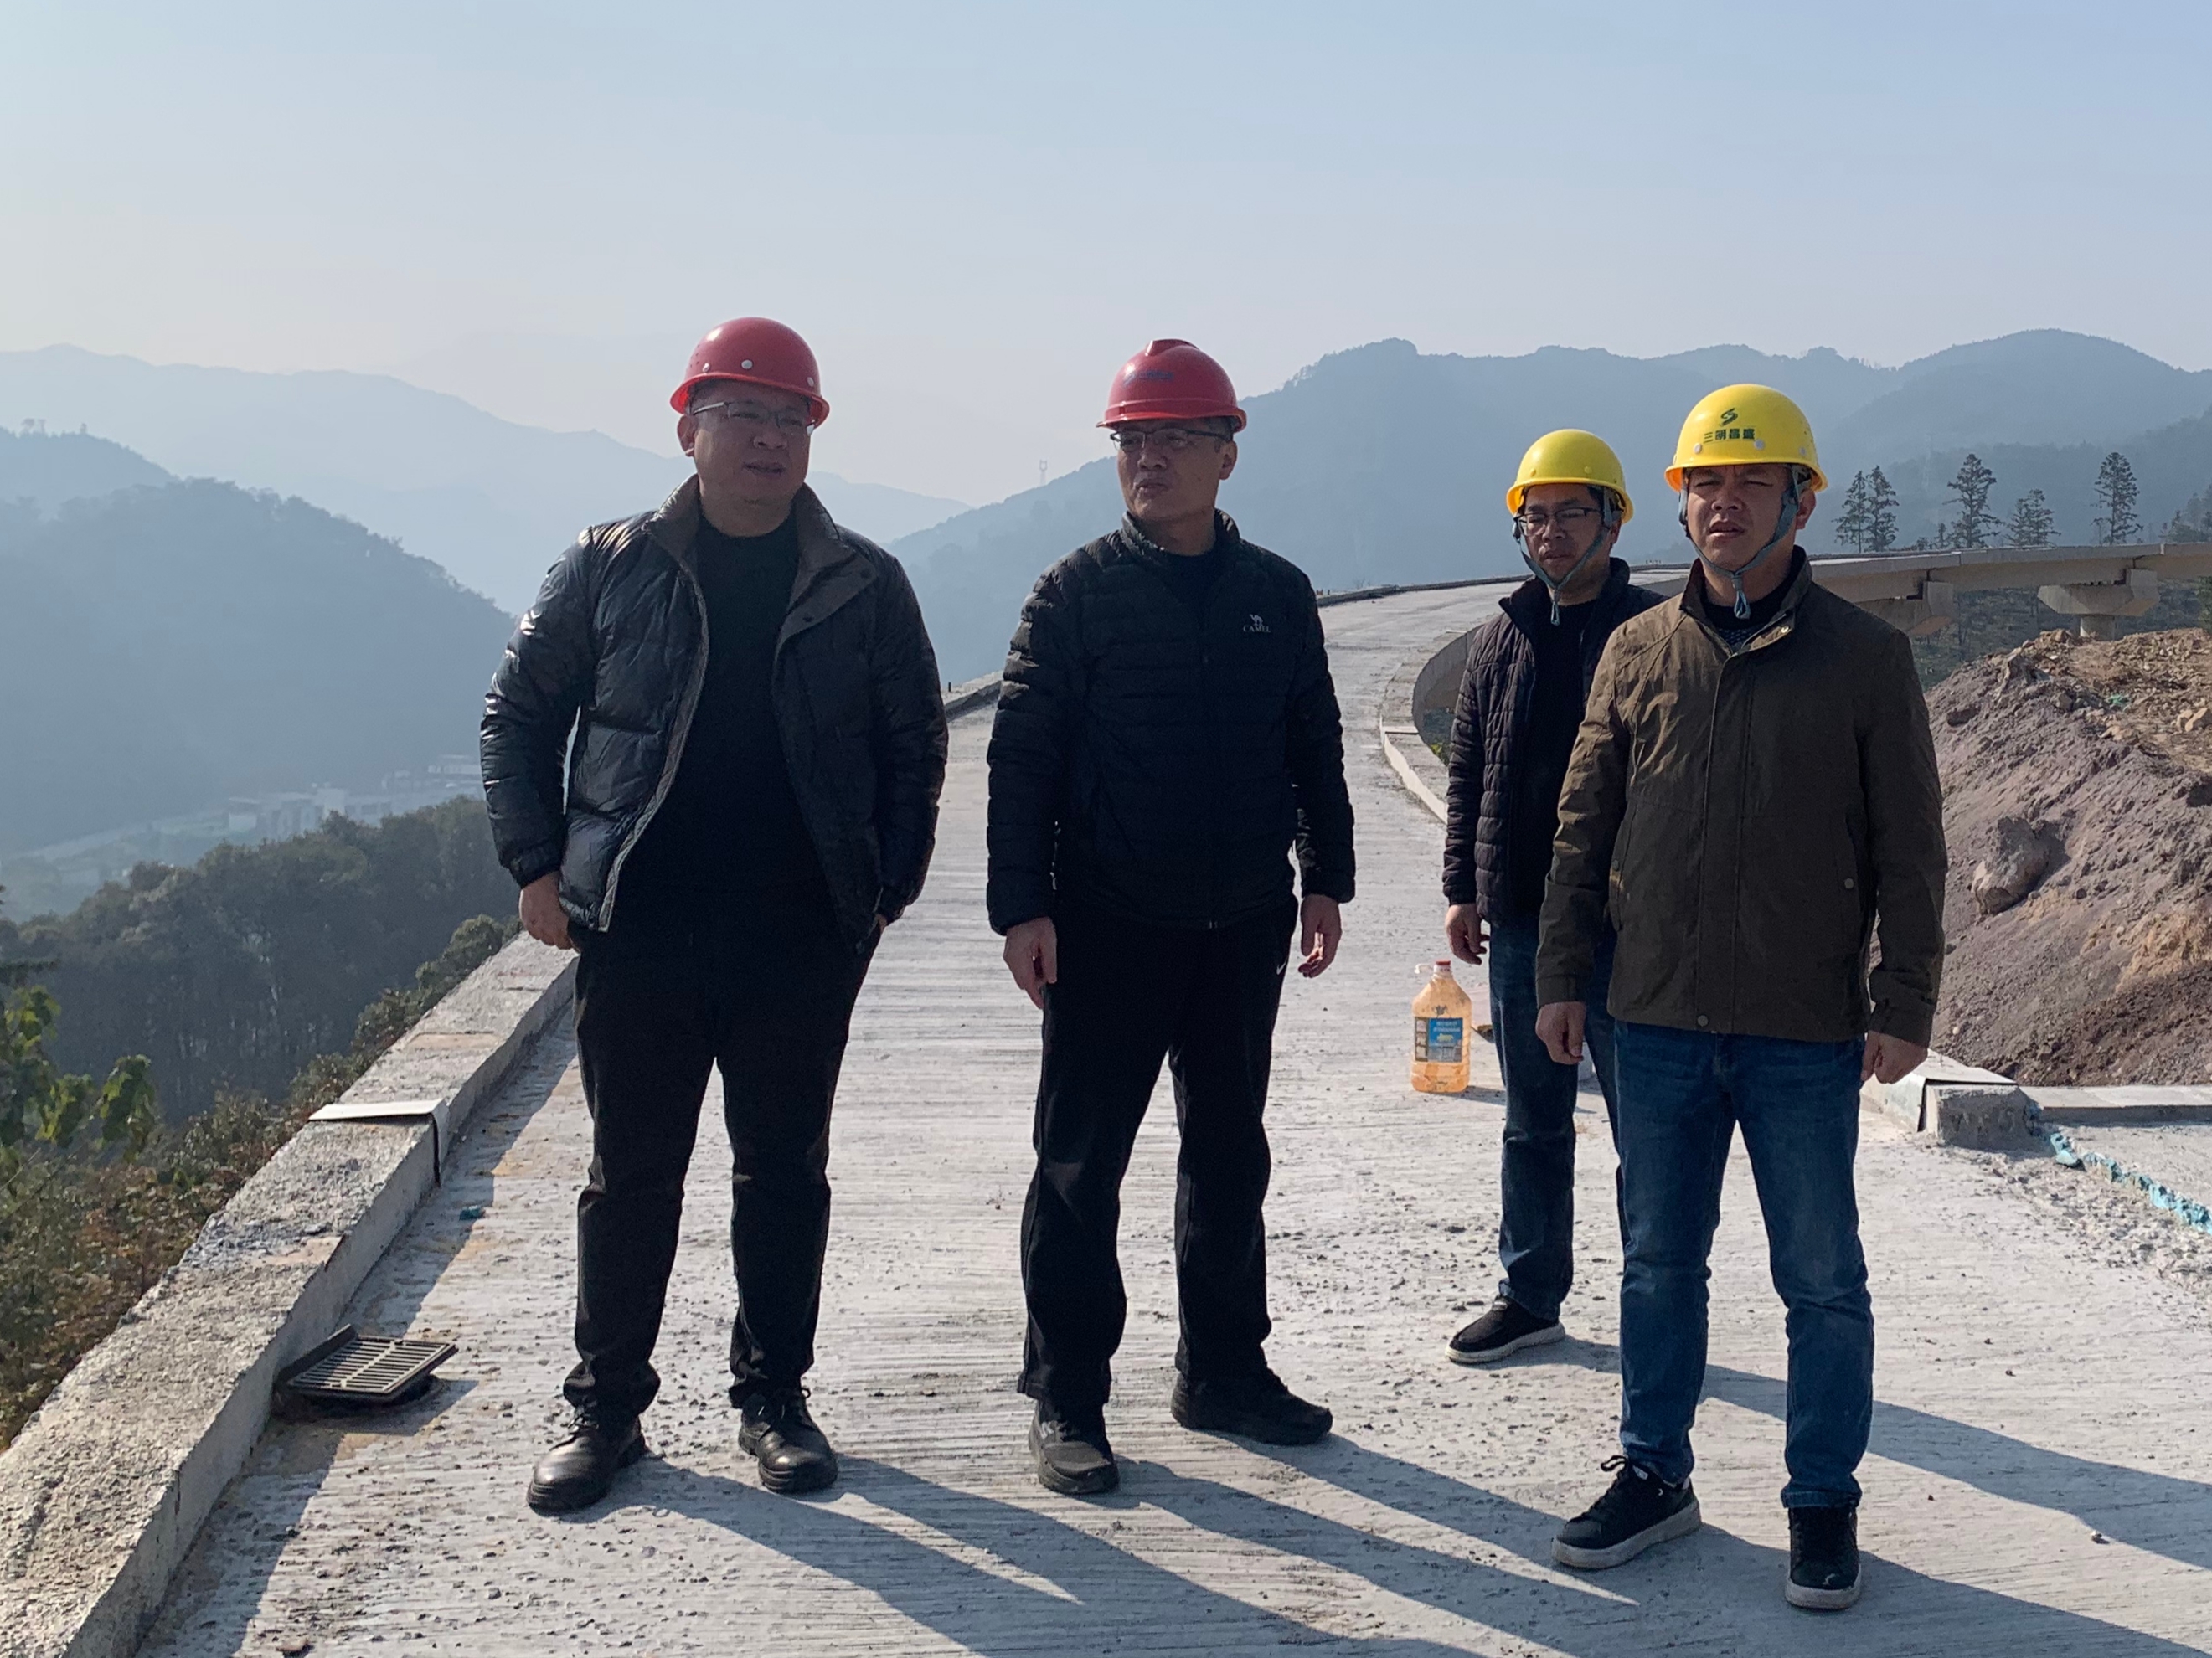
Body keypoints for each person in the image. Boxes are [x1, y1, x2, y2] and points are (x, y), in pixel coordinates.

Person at [481, 317, 949, 1513]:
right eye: (743, 413)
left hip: (800, 931)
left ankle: (774, 1398)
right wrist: (536, 864)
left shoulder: (863, 583)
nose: (768, 438)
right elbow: (516, 714)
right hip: (641, 925)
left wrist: (884, 889)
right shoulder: (609, 565)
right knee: (630, 1173)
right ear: (688, 428)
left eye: (791, 417)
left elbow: (914, 742)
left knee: (783, 1171)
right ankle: (606, 1409)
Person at [1532, 385, 1945, 1610]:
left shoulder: (1864, 659)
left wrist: (1905, 997)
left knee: (1820, 1276)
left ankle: (1821, 1499)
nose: (1723, 504)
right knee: (1658, 1262)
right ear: (1681, 504)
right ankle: (1653, 1473)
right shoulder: (1637, 651)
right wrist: (1560, 976)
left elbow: (1909, 845)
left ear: (1799, 503)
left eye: (1750, 483)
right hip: (1653, 1018)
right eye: (1704, 485)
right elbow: (1581, 829)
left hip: (1801, 1026)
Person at [987, 339, 1355, 1496]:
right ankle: (1067, 1395)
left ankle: (1224, 1371)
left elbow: (1313, 744)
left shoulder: (1276, 595)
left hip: (1241, 920)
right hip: (1106, 920)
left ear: (1226, 454)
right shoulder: (1074, 594)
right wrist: (1021, 907)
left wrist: (1326, 877)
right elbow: (1021, 760)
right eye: (1133, 440)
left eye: (1177, 438)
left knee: (1230, 1152)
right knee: (1079, 1164)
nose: (1150, 459)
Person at [1440, 430, 1659, 1365]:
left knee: (1645, 1130)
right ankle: (1529, 1292)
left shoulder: (1653, 633)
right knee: (1532, 1120)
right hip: (1525, 920)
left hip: (1628, 927)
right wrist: (1463, 888)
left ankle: (1655, 1302)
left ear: (1613, 522)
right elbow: (1468, 768)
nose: (1552, 531)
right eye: (1537, 515)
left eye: (1573, 512)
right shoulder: (1503, 636)